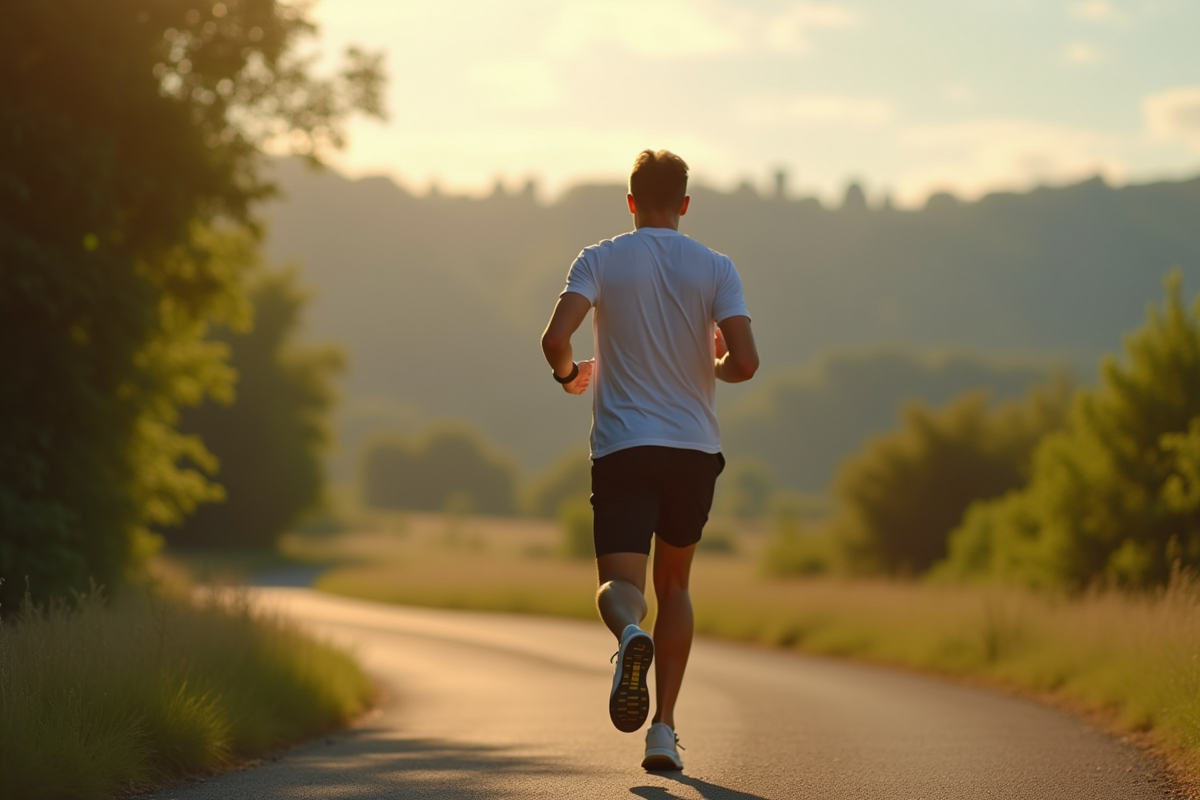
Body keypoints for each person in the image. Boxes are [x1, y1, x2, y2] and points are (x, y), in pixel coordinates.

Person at [540, 149, 759, 771]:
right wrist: (712, 360)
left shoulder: (600, 259)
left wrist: (569, 376)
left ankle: (629, 635)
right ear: (685, 204)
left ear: (630, 201)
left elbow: (556, 339)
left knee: (621, 588)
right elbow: (743, 364)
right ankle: (663, 730)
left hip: (623, 447)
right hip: (694, 450)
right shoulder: (718, 268)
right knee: (676, 585)